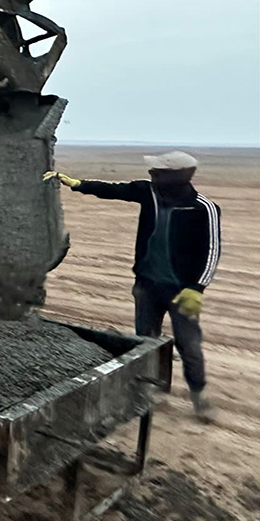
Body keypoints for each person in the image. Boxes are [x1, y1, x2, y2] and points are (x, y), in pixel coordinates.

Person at [44, 150, 221, 421]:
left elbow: (212, 251)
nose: (151, 175)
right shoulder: (148, 192)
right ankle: (150, 394)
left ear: (174, 177)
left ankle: (199, 398)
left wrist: (197, 288)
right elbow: (114, 190)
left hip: (182, 293)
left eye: (157, 172)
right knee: (145, 344)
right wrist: (78, 184)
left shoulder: (203, 208)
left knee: (189, 345)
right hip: (147, 287)